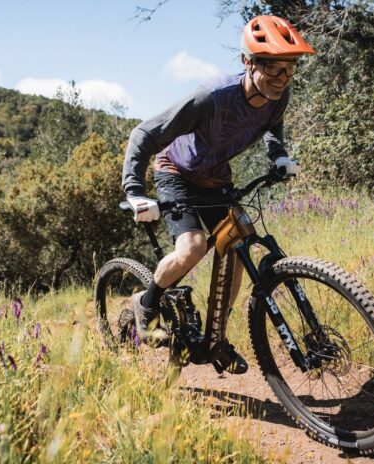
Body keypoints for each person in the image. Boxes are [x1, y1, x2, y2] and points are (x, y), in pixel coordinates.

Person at [121, 15, 315, 374]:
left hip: (215, 178)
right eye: (273, 69)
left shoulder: (279, 96)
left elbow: (272, 128)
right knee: (192, 248)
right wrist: (135, 192)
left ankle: (215, 338)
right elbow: (143, 134)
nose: (282, 79)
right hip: (176, 172)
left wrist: (279, 156)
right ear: (248, 62)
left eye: (289, 70)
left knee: (238, 245)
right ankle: (145, 303)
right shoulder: (211, 97)